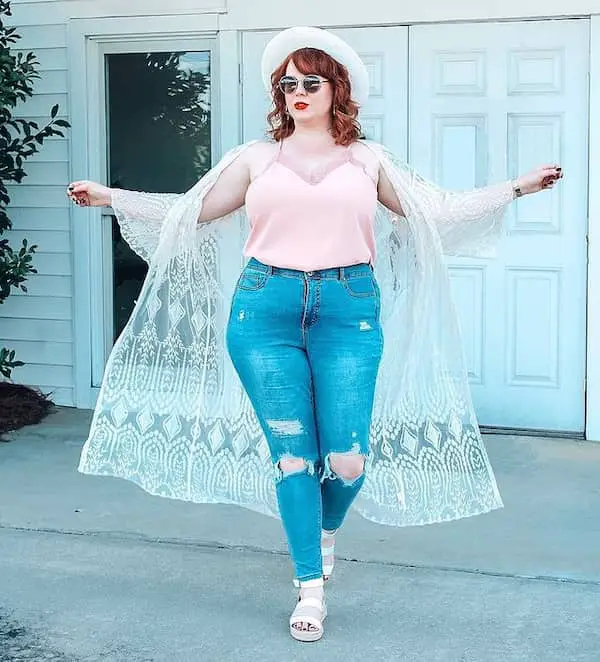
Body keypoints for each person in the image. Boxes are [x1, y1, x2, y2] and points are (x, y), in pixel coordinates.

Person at [68, 27, 562, 642]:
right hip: (263, 313)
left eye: (310, 81)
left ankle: (321, 529)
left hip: (347, 310)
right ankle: (310, 586)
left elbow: (433, 211)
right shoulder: (255, 159)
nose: (296, 92)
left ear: (337, 90)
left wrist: (516, 188)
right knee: (295, 457)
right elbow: (190, 212)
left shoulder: (368, 161)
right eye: (288, 83)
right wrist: (111, 198)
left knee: (348, 460)